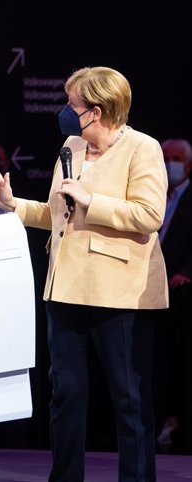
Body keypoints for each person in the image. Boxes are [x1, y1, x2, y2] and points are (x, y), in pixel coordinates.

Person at [0, 66, 168, 481]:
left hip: (118, 293)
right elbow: (58, 214)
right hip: (65, 289)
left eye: (74, 105)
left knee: (129, 400)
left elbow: (149, 214)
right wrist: (14, 204)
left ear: (98, 110)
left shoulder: (142, 147)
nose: (66, 111)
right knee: (65, 395)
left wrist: (91, 200)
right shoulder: (73, 145)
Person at [154, 138, 192, 453]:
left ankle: (181, 426)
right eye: (165, 157)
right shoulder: (155, 195)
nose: (170, 163)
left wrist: (186, 272)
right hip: (154, 291)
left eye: (175, 158)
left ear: (188, 164)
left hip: (183, 293)